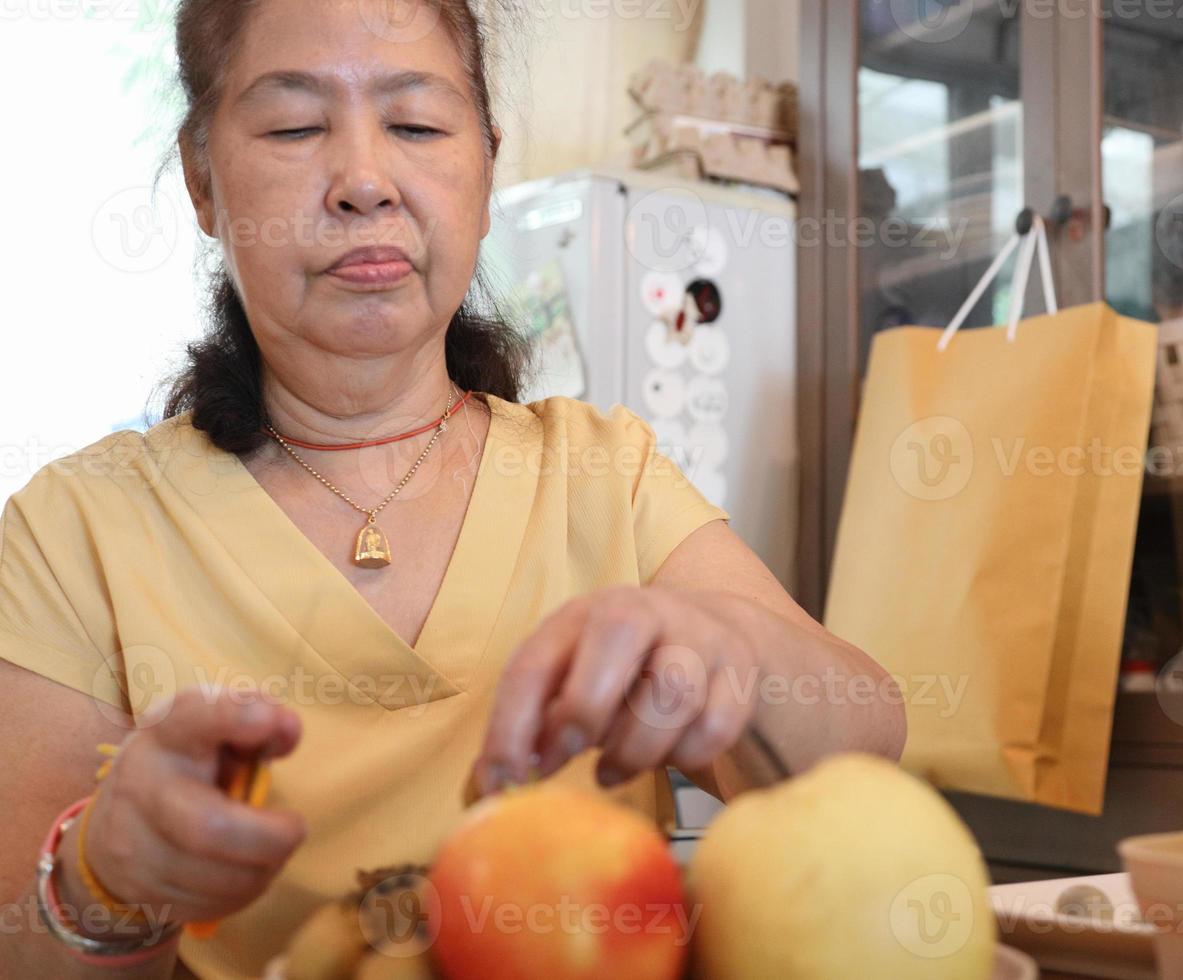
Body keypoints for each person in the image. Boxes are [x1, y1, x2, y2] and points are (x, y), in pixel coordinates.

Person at [0, 1, 905, 977]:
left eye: (419, 125)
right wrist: (107, 874)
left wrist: (734, 652)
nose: (363, 180)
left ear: (484, 168)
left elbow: (865, 739)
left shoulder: (603, 472)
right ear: (203, 180)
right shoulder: (76, 527)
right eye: (297, 125)